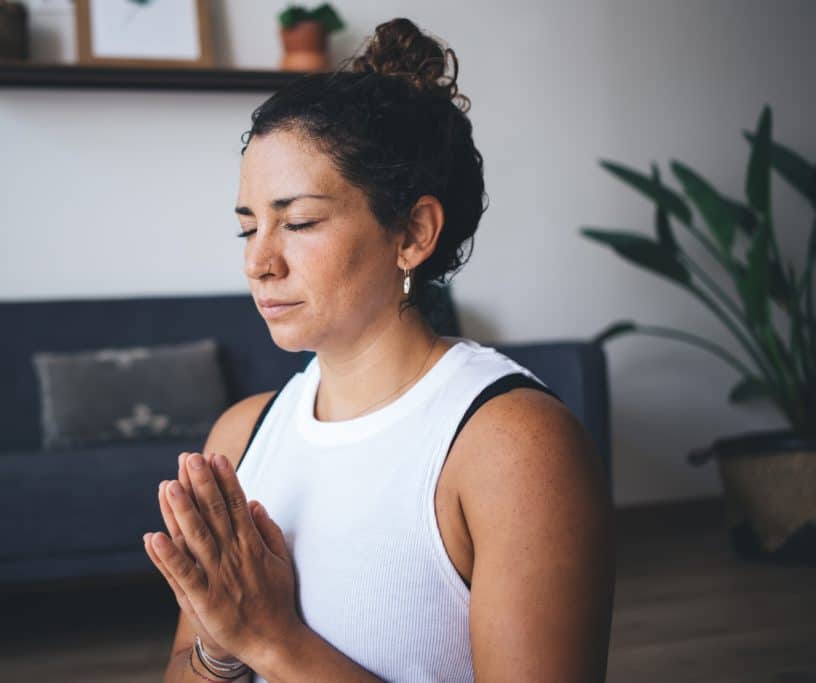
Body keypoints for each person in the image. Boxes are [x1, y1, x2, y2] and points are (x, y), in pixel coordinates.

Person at [143, 17, 615, 683]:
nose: (259, 261)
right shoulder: (242, 433)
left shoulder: (513, 446)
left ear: (414, 233)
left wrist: (274, 640)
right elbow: (183, 668)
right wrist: (223, 649)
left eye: (298, 222)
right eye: (248, 227)